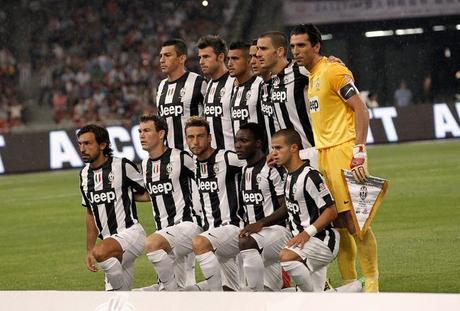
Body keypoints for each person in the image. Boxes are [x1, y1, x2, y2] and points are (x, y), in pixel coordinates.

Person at [290, 24, 379, 292]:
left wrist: (359, 150)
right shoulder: (312, 74)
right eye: (293, 46)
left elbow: (361, 109)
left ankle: (373, 281)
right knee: (338, 222)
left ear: (316, 46)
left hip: (343, 152)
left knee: (355, 221)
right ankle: (351, 282)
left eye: (302, 45)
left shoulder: (333, 71)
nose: (296, 51)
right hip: (323, 155)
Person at [138, 114, 203, 290]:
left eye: (146, 131)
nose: (141, 135)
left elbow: (205, 179)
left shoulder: (181, 158)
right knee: (184, 286)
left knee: (151, 244)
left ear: (161, 134)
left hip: (187, 226)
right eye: (140, 131)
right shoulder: (145, 165)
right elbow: (149, 194)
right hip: (166, 233)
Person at [78, 124, 146, 291]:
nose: (82, 149)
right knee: (117, 302)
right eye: (80, 144)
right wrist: (89, 250)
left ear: (102, 145)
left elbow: (147, 193)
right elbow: (90, 212)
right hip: (110, 243)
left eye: (88, 143)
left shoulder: (122, 166)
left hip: (130, 233)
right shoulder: (84, 175)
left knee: (100, 253)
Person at [271, 128, 339, 292]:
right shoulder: (288, 176)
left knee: (286, 257)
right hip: (302, 243)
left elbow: (331, 211)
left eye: (278, 148)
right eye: (272, 148)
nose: (273, 153)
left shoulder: (310, 176)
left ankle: (313, 299)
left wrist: (306, 233)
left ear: (294, 148)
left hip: (322, 240)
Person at [185, 116, 245, 291]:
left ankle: (214, 298)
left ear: (209, 137)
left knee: (198, 243)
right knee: (234, 290)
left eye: (200, 136)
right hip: (214, 235)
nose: (195, 141)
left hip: (233, 228)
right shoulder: (192, 164)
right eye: (190, 137)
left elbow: (256, 162)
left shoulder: (227, 158)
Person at [235, 123, 291, 291]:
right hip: (256, 238)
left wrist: (260, 224)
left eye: (244, 141)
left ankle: (255, 297)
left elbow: (286, 206)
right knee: (273, 293)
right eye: (237, 141)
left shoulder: (272, 169)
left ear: (258, 143)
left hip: (277, 232)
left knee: (244, 242)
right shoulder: (244, 170)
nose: (238, 145)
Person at [256, 31, 314, 152]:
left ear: (280, 52)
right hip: (287, 158)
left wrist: (332, 62)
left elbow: (326, 72)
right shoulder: (268, 83)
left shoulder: (300, 71)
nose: (258, 54)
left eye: (263, 49)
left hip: (309, 152)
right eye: (258, 49)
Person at [155, 39, 207, 150]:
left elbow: (210, 120)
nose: (162, 60)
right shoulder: (160, 86)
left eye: (167, 55)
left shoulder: (198, 82)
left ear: (182, 58)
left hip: (195, 156)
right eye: (161, 56)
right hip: (171, 157)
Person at [197, 35, 236, 150]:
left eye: (206, 57)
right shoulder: (209, 85)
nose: (201, 62)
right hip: (215, 158)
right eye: (200, 57)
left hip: (234, 157)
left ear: (221, 57)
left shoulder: (235, 82)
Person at [227, 41, 264, 140]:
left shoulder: (261, 85)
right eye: (228, 59)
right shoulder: (232, 89)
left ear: (248, 61)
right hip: (240, 153)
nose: (229, 63)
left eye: (235, 59)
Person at [249, 39, 280, 151]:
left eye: (256, 57)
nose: (252, 61)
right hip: (272, 156)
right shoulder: (261, 85)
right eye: (251, 57)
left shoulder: (289, 79)